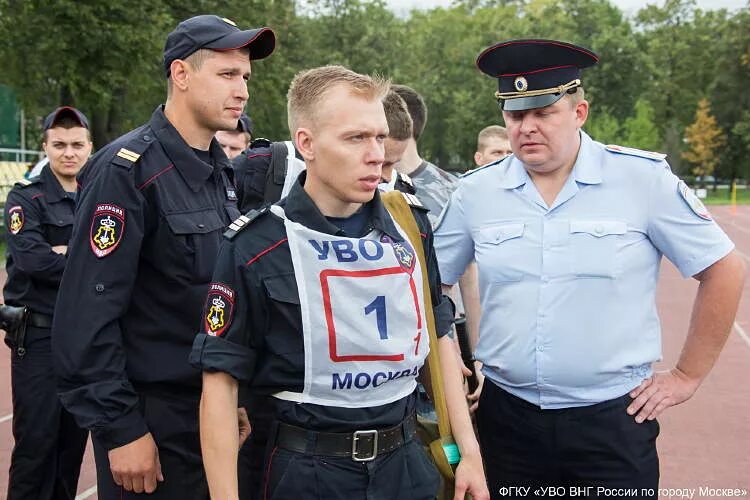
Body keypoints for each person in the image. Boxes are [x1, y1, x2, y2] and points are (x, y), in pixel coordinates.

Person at [434, 38, 745, 499]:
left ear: (579, 112)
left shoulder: (642, 180)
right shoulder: (475, 194)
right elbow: (428, 286)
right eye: (516, 115)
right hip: (507, 422)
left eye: (543, 112)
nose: (527, 128)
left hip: (611, 424)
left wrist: (686, 376)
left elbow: (725, 268)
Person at [191, 65, 489, 500]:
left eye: (379, 137)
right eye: (355, 138)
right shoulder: (256, 246)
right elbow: (219, 384)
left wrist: (469, 453)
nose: (376, 154)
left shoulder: (412, 227)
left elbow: (439, 333)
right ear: (306, 144)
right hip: (308, 472)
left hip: (406, 465)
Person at [51, 15, 275, 498]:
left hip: (207, 412)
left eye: (246, 78)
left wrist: (226, 392)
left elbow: (209, 297)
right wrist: (121, 429)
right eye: (227, 75)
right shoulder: (125, 170)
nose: (243, 91)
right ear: (181, 74)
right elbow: (86, 315)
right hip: (151, 419)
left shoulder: (219, 172)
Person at [2, 106, 92, 500]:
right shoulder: (27, 197)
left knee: (72, 448)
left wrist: (64, 252)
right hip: (37, 340)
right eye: (59, 145)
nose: (68, 152)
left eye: (76, 144)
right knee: (36, 447)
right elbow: (32, 260)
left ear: (90, 147)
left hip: (83, 341)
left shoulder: (98, 194)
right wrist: (84, 258)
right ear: (45, 147)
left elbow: (115, 255)